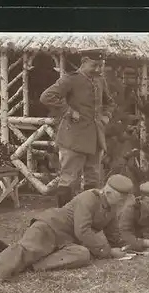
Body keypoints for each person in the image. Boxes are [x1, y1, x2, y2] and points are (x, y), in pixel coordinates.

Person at [0, 174, 133, 293]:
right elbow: (82, 231)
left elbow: (114, 236)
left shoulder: (111, 207)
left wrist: (138, 244)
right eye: (120, 199)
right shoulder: (89, 198)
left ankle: (30, 265)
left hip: (67, 242)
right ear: (108, 192)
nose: (122, 203)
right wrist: (108, 252)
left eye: (124, 199)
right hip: (49, 227)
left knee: (83, 254)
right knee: (26, 249)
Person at [40, 47, 118, 207]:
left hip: (95, 138)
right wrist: (69, 112)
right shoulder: (71, 79)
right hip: (73, 139)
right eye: (94, 65)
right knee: (69, 179)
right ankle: (64, 217)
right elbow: (46, 97)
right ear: (84, 62)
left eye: (100, 65)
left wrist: (106, 116)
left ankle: (89, 213)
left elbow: (110, 102)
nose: (97, 69)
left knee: (93, 178)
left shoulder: (99, 80)